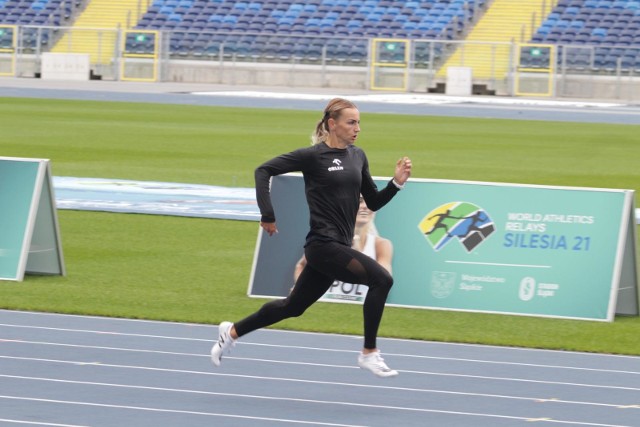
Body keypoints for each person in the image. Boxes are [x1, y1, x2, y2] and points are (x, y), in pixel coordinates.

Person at [211, 98, 412, 378]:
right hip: (322, 245)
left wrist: (396, 183)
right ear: (332, 124)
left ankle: (231, 331)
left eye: (359, 122)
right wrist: (267, 215)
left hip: (339, 245)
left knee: (292, 307)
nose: (357, 128)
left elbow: (374, 202)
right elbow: (263, 171)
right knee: (382, 279)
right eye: (351, 122)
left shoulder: (358, 156)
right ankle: (369, 353)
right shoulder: (312, 157)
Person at [293, 196, 393, 303]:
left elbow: (384, 279)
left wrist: (358, 256)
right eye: (359, 201)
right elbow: (301, 265)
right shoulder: (327, 239)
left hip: (361, 306)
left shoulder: (381, 245)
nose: (364, 206)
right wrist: (301, 292)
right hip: (327, 304)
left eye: (368, 202)